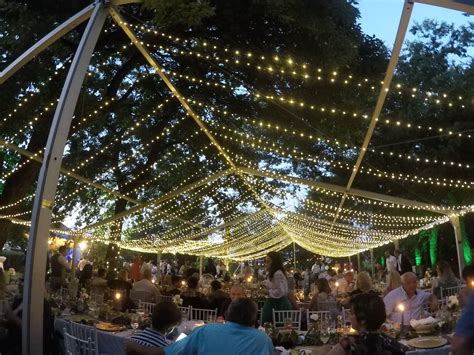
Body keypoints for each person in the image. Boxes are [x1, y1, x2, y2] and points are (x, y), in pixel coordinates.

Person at [126, 298, 275, 355]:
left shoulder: (205, 330)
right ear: (253, 319)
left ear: (228, 314)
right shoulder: (263, 340)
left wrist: (133, 346)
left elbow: (165, 353)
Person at [326, 293, 407, 355]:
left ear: (363, 320)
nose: (349, 316)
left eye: (352, 313)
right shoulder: (392, 343)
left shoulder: (350, 343)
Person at [261, 251, 291, 323]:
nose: (265, 263)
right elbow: (273, 285)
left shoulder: (278, 273)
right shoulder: (273, 273)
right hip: (273, 303)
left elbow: (282, 291)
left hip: (279, 305)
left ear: (274, 262)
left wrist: (268, 292)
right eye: (265, 261)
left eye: (268, 261)